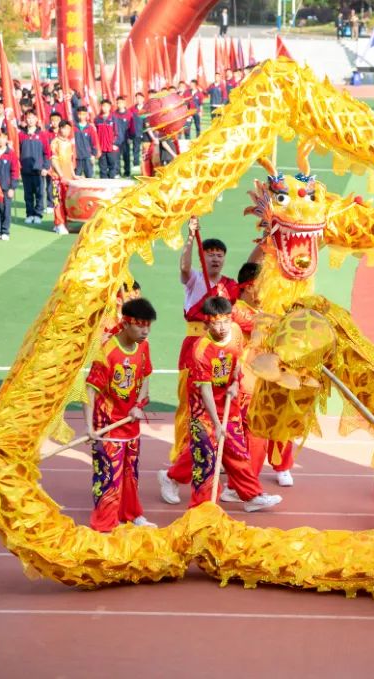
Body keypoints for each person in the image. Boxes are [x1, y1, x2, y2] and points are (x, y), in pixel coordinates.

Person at [157, 217, 240, 504]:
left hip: (222, 350)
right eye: (211, 255)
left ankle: (217, 476)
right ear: (203, 257)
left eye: (220, 255)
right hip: (195, 347)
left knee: (223, 415)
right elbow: (183, 266)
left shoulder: (229, 287)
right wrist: (190, 236)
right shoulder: (194, 278)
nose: (215, 259)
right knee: (193, 415)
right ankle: (177, 474)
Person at [184, 296, 282, 511]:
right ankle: (202, 508)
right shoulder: (201, 350)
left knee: (238, 452)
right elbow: (205, 390)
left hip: (229, 403)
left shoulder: (236, 331)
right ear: (207, 322)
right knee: (206, 461)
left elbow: (237, 359)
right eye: (216, 322)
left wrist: (235, 382)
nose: (221, 327)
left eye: (225, 321)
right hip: (205, 413)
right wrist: (217, 424)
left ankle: (251, 496)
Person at [83, 297, 159, 531]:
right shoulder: (107, 351)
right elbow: (90, 390)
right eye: (140, 325)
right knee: (109, 477)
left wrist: (139, 403)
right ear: (125, 323)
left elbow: (145, 375)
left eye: (149, 325)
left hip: (131, 423)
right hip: (108, 426)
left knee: (130, 473)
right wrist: (90, 428)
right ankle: (105, 523)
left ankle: (132, 513)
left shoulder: (143, 346)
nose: (145, 331)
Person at [233, 262, 296, 487]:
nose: (269, 289)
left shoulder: (266, 309)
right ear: (250, 287)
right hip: (247, 379)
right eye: (264, 285)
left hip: (271, 375)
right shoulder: (236, 310)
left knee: (281, 421)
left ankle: (282, 466)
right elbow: (263, 326)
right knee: (251, 430)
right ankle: (245, 478)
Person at [19, 109, 51, 225]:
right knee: (28, 194)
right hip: (25, 169)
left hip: (38, 169)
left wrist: (45, 167)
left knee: (39, 193)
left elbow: (47, 153)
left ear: (36, 119)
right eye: (28, 118)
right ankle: (29, 214)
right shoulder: (21, 135)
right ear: (25, 120)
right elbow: (18, 152)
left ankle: (38, 214)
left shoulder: (42, 135)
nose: (30, 120)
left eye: (32, 117)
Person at [0, 131, 20, 241]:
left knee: (6, 209)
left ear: (7, 139)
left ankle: (5, 231)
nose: (1, 140)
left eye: (3, 138)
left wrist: (13, 187)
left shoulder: (11, 154)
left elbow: (15, 171)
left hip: (6, 187)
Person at [49, 120, 78, 235]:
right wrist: (61, 175)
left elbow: (70, 161)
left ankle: (62, 223)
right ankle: (59, 223)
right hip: (58, 177)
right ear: (60, 128)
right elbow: (54, 161)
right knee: (58, 200)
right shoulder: (55, 142)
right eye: (65, 128)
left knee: (66, 201)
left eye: (69, 129)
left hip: (68, 178)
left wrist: (73, 174)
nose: (67, 131)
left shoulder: (69, 143)